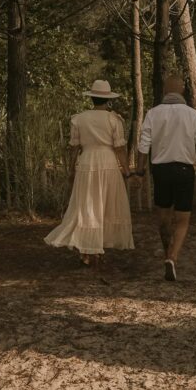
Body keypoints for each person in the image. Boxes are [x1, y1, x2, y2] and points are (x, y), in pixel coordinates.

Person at [44, 79, 134, 268]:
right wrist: (126, 170)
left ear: (92, 98)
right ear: (107, 100)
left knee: (87, 205)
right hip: (108, 163)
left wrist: (70, 169)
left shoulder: (79, 118)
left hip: (87, 163)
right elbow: (119, 148)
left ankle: (88, 251)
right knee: (105, 205)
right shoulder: (113, 119)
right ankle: (96, 248)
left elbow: (74, 147)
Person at [132, 74, 196, 282]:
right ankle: (173, 257)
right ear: (182, 90)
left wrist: (139, 172)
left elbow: (143, 145)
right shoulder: (193, 115)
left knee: (163, 217)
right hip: (184, 170)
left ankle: (167, 251)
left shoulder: (153, 113)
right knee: (183, 219)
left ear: (166, 91)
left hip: (161, 170)